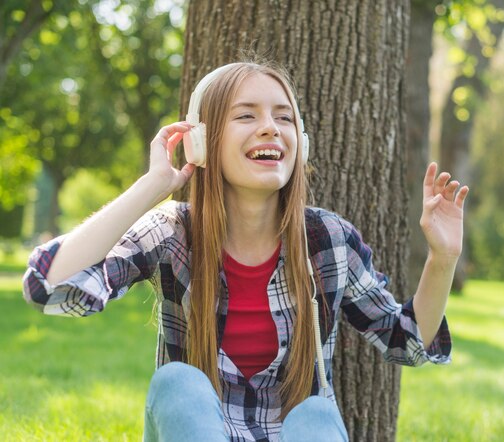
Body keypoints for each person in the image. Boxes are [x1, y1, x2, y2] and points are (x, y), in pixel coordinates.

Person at [23, 61, 469, 442]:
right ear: (202, 141)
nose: (270, 127)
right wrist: (154, 186)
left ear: (301, 143)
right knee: (178, 382)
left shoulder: (328, 239)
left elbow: (407, 341)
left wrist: (442, 259)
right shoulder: (171, 232)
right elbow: (49, 287)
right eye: (246, 116)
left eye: (283, 117)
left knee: (314, 414)